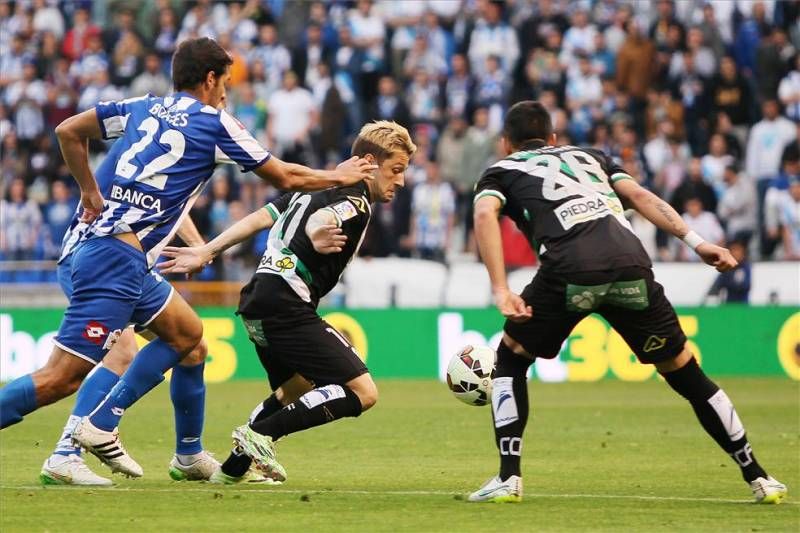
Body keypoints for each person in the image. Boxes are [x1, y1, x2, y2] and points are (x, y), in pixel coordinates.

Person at [0, 38, 376, 481]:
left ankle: (185, 454)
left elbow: (68, 131)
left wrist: (89, 188)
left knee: (191, 338)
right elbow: (285, 176)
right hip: (113, 260)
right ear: (211, 78)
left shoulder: (142, 107)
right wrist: (340, 174)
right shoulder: (216, 123)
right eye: (226, 83)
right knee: (60, 378)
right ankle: (83, 437)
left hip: (114, 252)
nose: (226, 94)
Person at [469, 101, 786, 504]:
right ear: (553, 138)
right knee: (684, 370)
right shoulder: (590, 156)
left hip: (570, 269)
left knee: (511, 356)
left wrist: (500, 289)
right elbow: (638, 195)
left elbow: (484, 216)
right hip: (630, 264)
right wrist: (697, 242)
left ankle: (508, 477)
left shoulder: (503, 170)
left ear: (505, 144)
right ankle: (759, 476)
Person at [156, 121, 416, 483]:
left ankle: (232, 470)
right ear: (369, 162)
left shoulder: (313, 187)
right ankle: (260, 435)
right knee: (363, 391)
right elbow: (327, 218)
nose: (400, 181)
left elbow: (260, 218)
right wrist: (318, 231)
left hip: (258, 300)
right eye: (396, 170)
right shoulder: (354, 198)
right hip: (285, 305)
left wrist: (207, 249)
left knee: (296, 389)